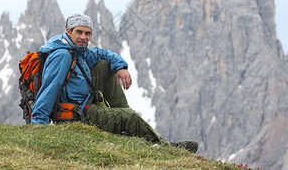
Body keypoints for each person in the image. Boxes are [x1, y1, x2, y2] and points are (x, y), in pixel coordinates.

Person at [31, 13, 198, 153]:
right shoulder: (63, 55)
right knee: (130, 117)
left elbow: (102, 53)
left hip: (82, 105)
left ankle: (120, 114)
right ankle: (168, 148)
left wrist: (121, 67)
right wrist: (39, 124)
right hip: (74, 115)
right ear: (68, 31)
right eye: (79, 32)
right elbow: (49, 88)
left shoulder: (77, 51)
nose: (83, 37)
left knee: (106, 64)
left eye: (88, 33)